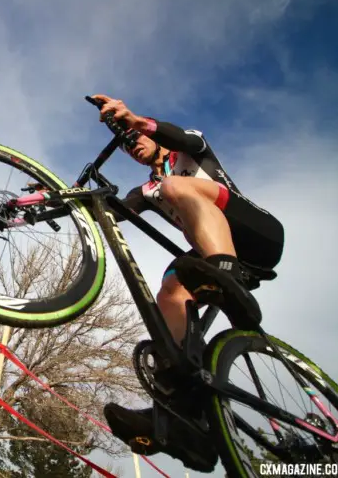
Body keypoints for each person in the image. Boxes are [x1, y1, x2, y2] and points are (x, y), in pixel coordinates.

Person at [90, 95, 285, 472]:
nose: (133, 146)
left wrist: (134, 120)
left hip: (257, 235)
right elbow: (117, 211)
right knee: (171, 288)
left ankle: (223, 275)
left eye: (135, 137)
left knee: (176, 188)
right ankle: (181, 417)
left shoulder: (187, 152)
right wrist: (58, 197)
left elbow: (181, 137)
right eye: (127, 145)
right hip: (212, 258)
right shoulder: (148, 190)